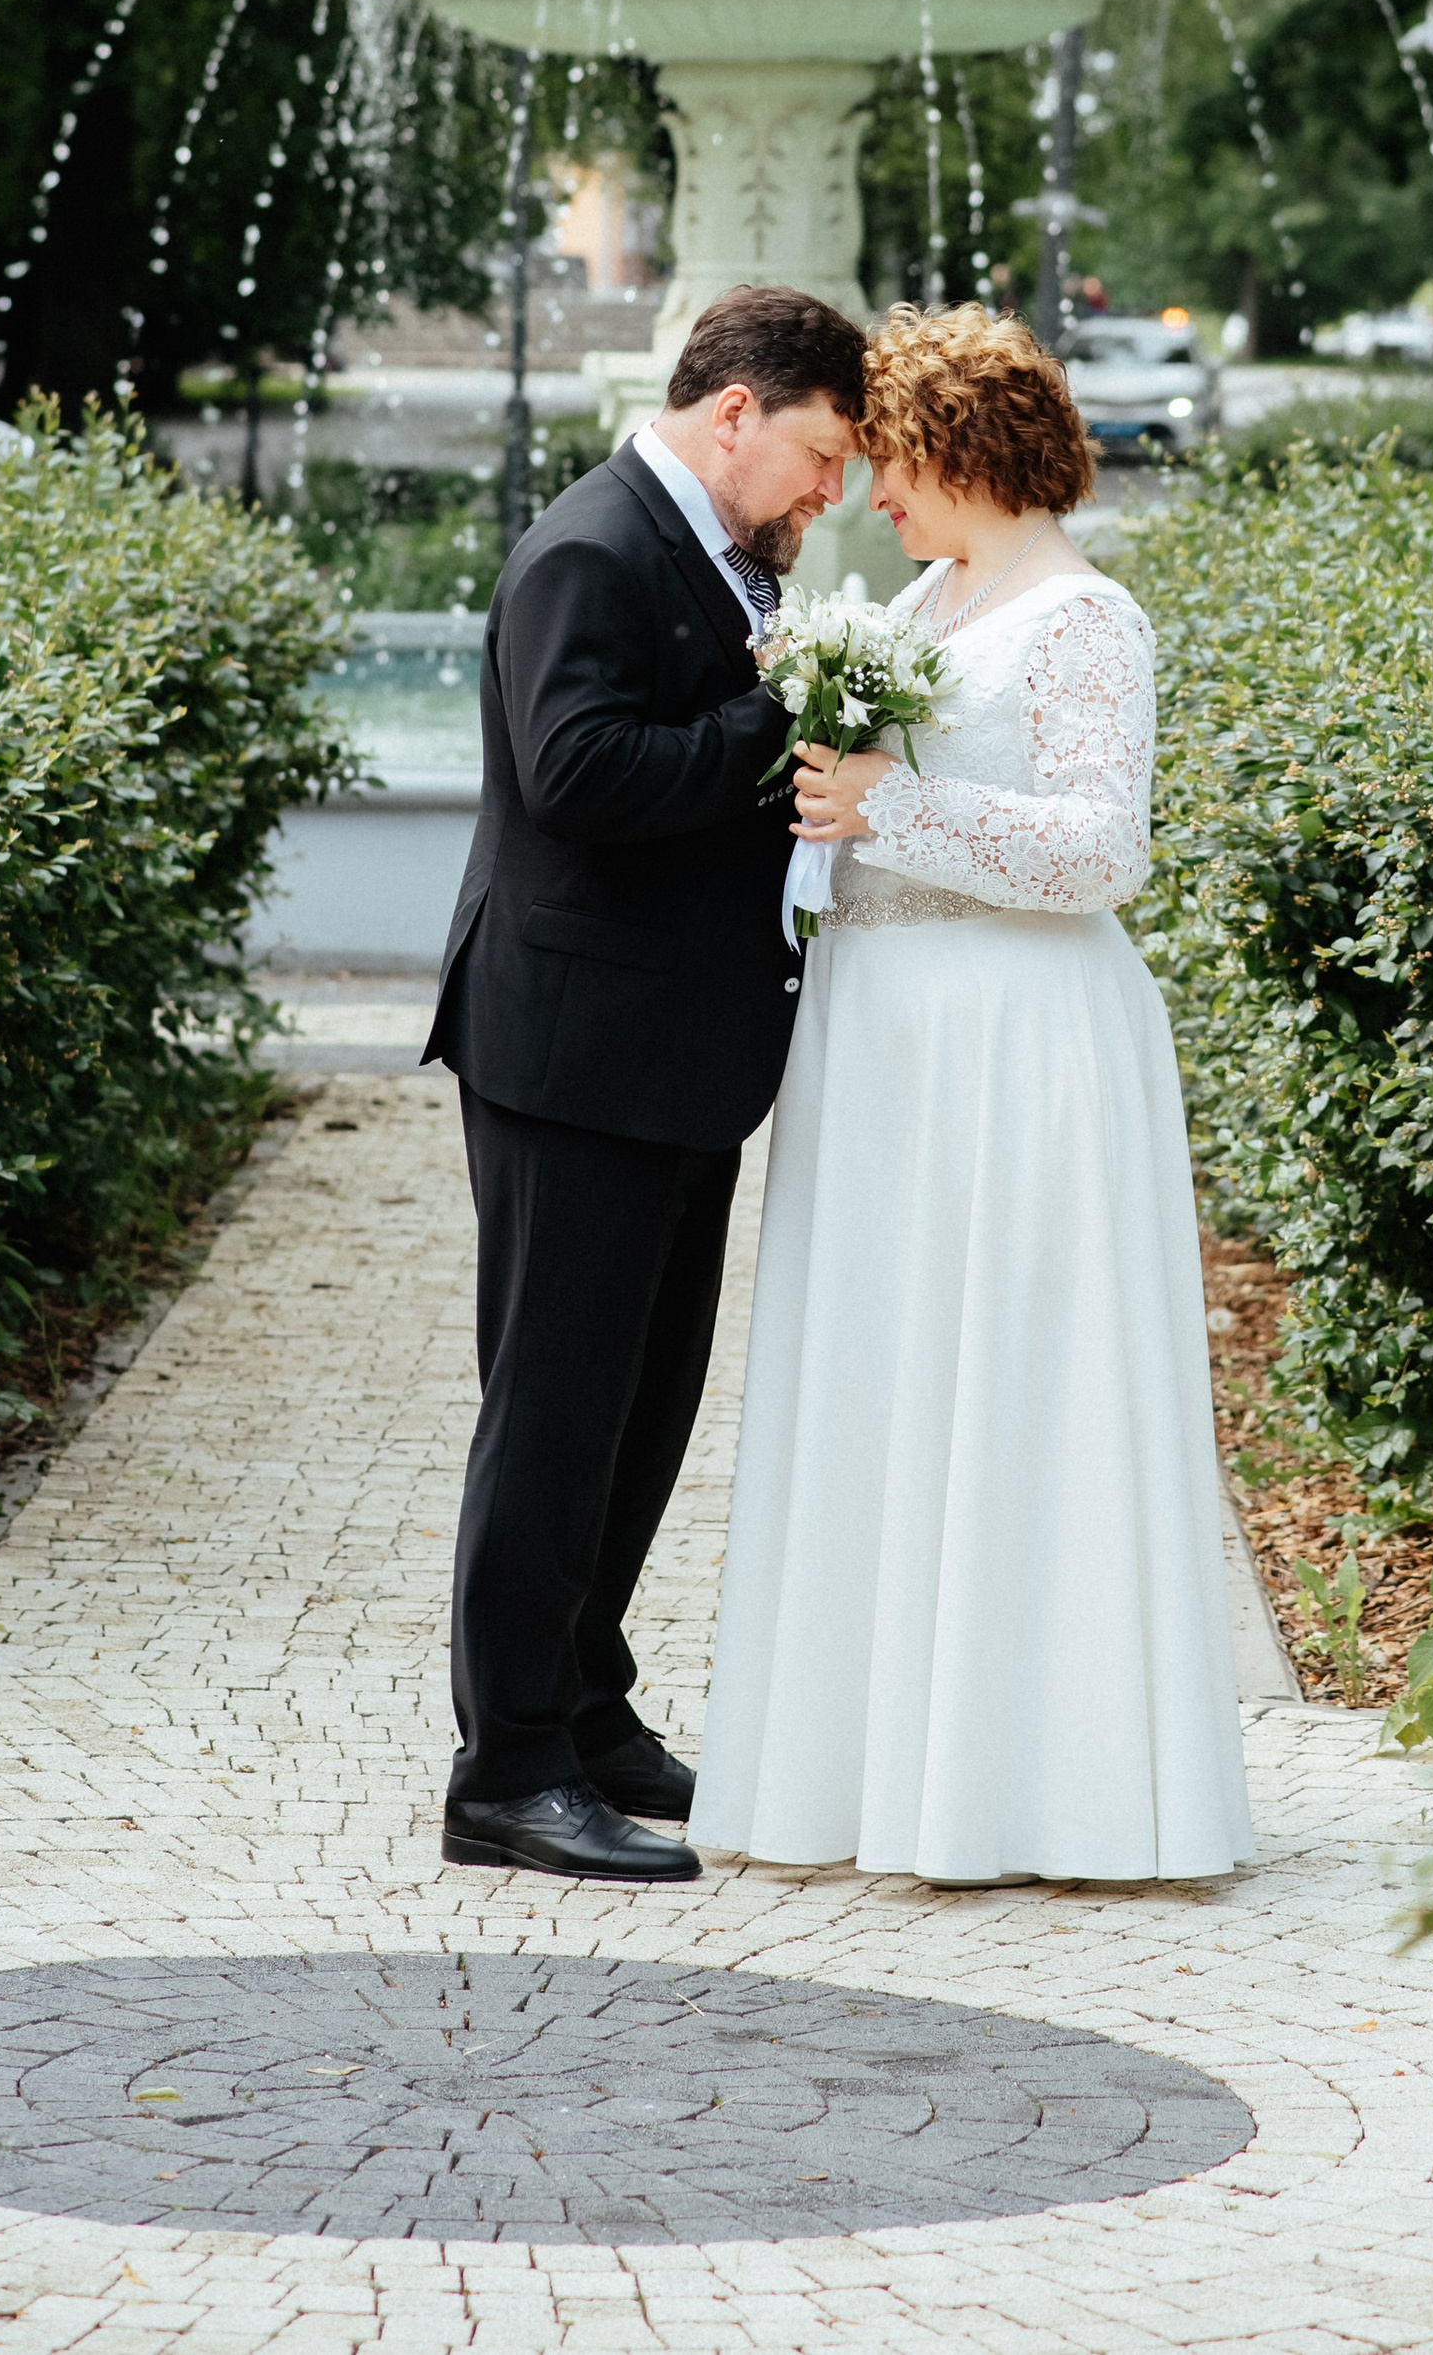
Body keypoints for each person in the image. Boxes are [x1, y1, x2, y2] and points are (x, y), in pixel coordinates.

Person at [690, 303, 1253, 1883]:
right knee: (887, 1383)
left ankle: (1042, 1786)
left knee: (1016, 1386)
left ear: (963, 452)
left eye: (894, 464)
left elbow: (1100, 850)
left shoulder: (1086, 620)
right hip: (885, 1044)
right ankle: (870, 1767)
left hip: (1016, 1047)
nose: (871, 498)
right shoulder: (934, 595)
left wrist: (890, 807)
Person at [424, 282, 868, 1883]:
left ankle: (590, 1704)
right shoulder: (592, 549)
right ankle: (508, 1769)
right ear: (734, 411)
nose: (831, 494)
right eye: (820, 457)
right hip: (573, 1057)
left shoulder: (713, 552)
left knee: (644, 1407)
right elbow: (580, 773)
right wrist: (783, 713)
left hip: (669, 1057)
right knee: (551, 1412)